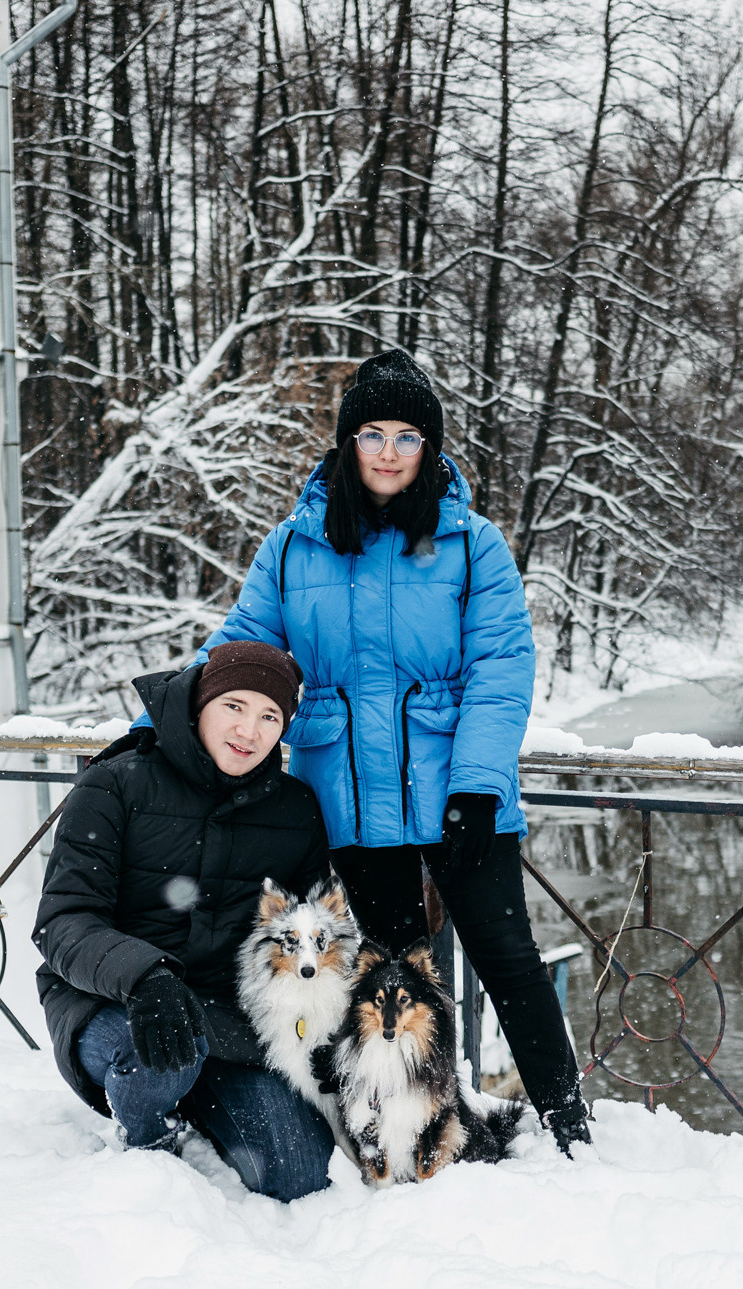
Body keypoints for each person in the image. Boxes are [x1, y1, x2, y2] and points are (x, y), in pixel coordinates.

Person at [200, 348, 592, 1154]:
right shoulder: (294, 545)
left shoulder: (472, 544)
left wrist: (479, 784)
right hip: (344, 797)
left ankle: (568, 1127)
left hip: (458, 793)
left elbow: (502, 665)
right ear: (347, 443)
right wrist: (167, 724)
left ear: (430, 447)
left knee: (507, 961)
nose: (386, 451)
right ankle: (406, 1126)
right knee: (386, 981)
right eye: (371, 433)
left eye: (406, 435)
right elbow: (241, 653)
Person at [32, 641, 336, 1201]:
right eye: (234, 707)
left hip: (228, 1020)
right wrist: (145, 975)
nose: (249, 731)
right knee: (162, 1053)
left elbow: (311, 933)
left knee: (297, 1172)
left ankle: (195, 1092)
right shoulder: (115, 784)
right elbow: (63, 920)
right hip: (111, 1001)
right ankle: (148, 1134)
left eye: (270, 716)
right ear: (200, 704)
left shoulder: (294, 811)